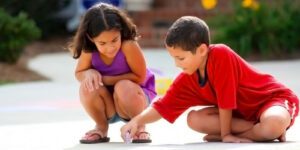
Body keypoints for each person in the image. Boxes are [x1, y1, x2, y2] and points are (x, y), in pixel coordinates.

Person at [121, 16, 299, 143]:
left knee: (273, 124)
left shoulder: (220, 54)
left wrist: (226, 134)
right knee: (193, 120)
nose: (176, 64)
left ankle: (264, 131)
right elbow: (163, 106)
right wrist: (136, 121)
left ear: (202, 50)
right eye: (173, 58)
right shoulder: (188, 76)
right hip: (242, 116)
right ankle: (261, 132)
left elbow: (226, 98)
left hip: (272, 101)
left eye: (181, 58)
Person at [68, 3, 156, 144]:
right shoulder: (89, 50)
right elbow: (79, 73)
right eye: (102, 43)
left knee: (123, 86)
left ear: (120, 32)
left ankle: (138, 126)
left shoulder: (129, 46)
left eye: (114, 40)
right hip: (107, 105)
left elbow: (140, 77)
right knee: (88, 85)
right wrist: (88, 73)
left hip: (133, 99)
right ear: (91, 38)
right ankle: (101, 127)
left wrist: (105, 79)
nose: (110, 48)